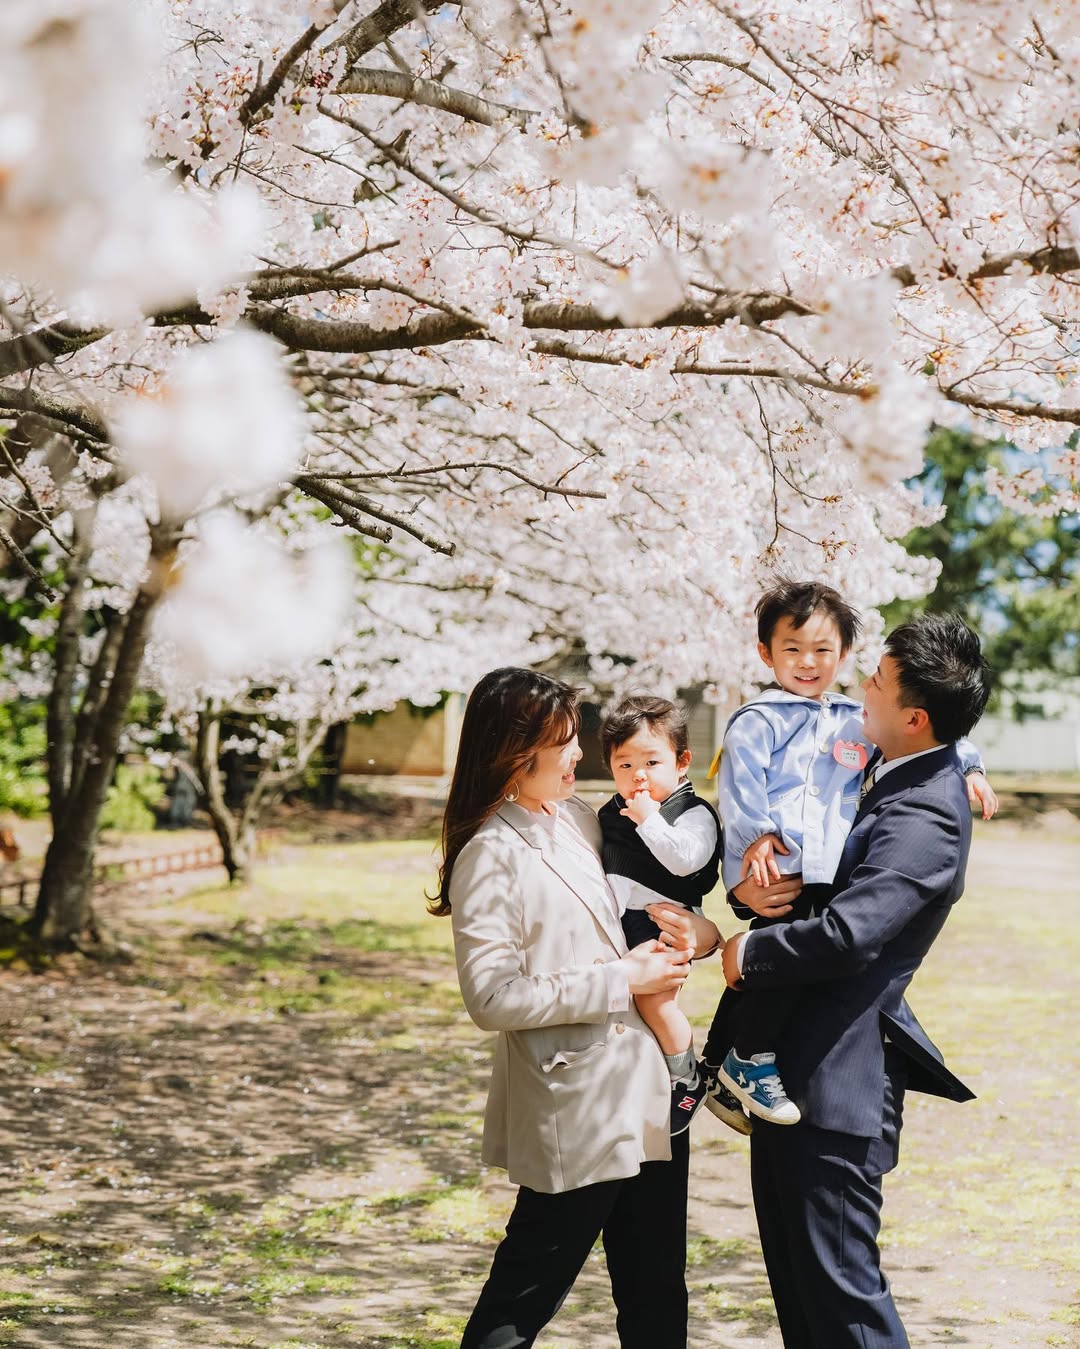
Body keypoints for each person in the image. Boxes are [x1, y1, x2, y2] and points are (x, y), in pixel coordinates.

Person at [715, 612, 993, 1348]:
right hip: (792, 1076)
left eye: (875, 679)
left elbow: (850, 933)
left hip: (834, 1089)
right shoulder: (896, 768)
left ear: (915, 716)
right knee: (806, 1309)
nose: (858, 687)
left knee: (847, 1315)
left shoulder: (927, 811)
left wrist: (750, 955)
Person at [432, 667, 721, 1349]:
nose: (578, 754)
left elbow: (658, 892)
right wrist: (623, 978)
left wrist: (703, 936)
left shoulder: (582, 818)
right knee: (525, 1291)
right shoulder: (490, 852)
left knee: (656, 1289)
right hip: (577, 1100)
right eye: (562, 742)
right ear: (513, 752)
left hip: (652, 1088)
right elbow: (493, 996)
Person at [703, 580, 997, 1129]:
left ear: (842, 653)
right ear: (765, 653)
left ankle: (729, 1064)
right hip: (782, 861)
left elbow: (941, 727)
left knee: (779, 964)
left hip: (827, 865)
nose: (808, 663)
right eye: (792, 650)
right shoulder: (757, 719)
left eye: (823, 651)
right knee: (776, 957)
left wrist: (971, 766)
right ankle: (737, 1061)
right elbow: (739, 791)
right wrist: (758, 839)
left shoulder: (849, 716)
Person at [597, 695, 725, 1134]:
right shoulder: (610, 815)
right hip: (622, 925)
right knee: (628, 1009)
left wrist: (650, 819)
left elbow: (686, 861)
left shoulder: (693, 814)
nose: (639, 777)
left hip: (667, 924)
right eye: (625, 765)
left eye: (652, 762)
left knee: (656, 1002)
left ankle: (687, 1075)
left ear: (682, 762)